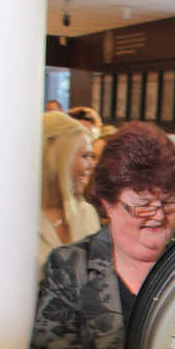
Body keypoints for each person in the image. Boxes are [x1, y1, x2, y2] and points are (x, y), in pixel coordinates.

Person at [29, 121, 175, 349]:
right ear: (107, 203)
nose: (159, 217)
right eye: (142, 205)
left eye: (169, 202)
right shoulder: (72, 269)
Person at [39, 112, 101, 276]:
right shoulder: (19, 222)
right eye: (85, 156)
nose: (91, 165)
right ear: (58, 159)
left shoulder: (86, 214)